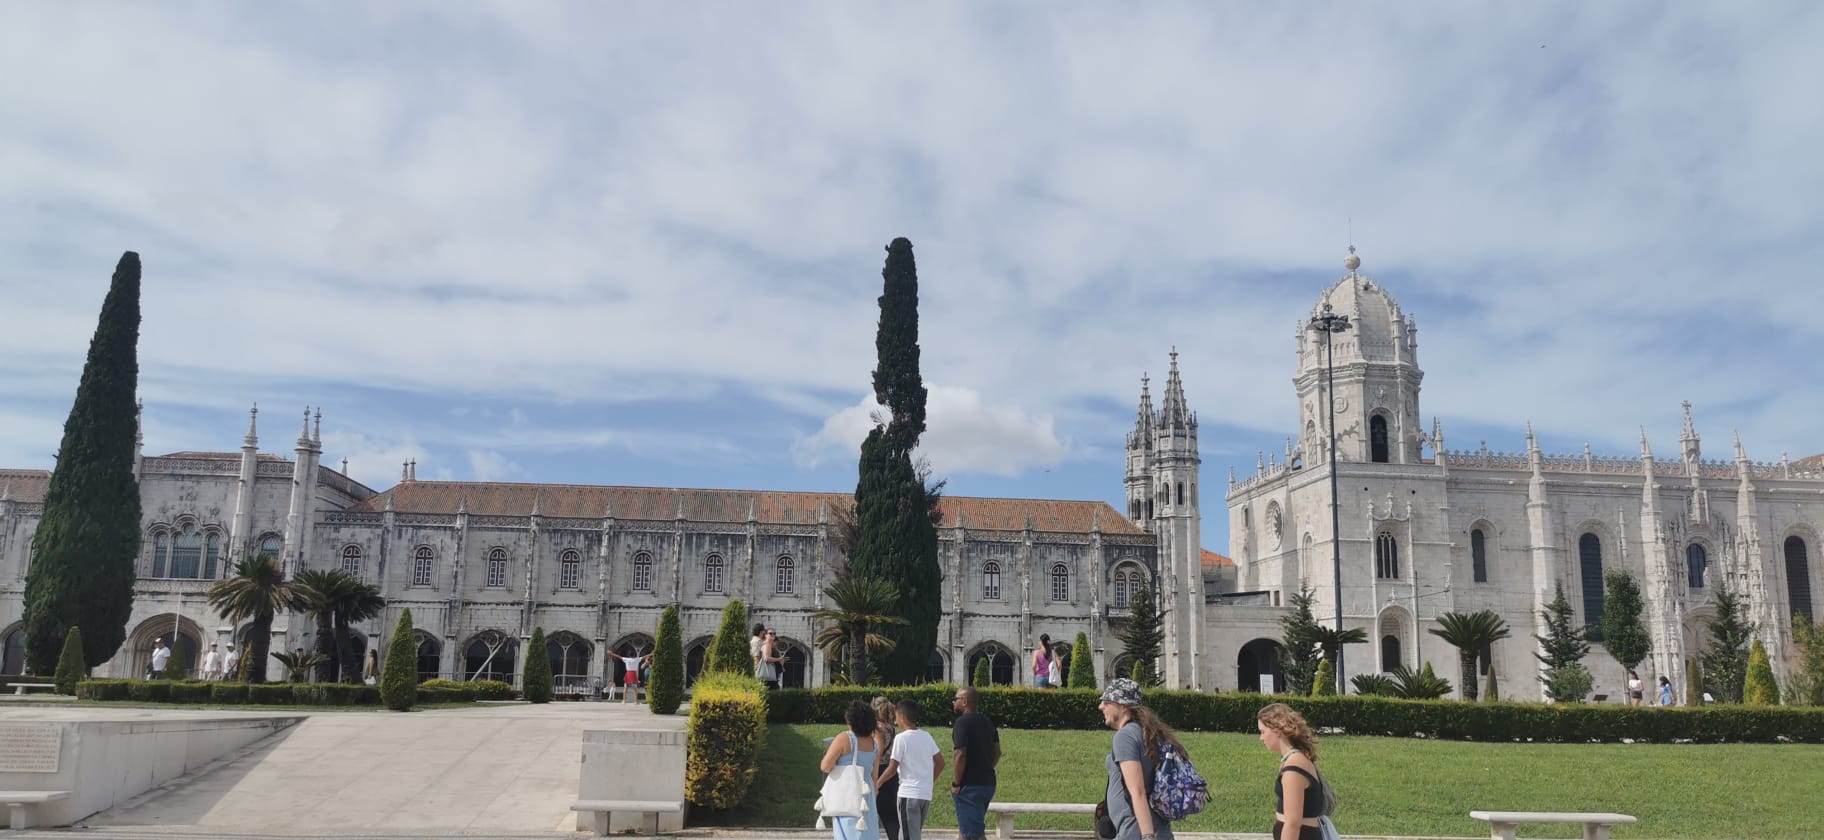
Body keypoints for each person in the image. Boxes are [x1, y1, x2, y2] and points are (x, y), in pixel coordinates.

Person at [1098, 677, 1179, 840]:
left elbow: (1138, 791)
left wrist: (1148, 836)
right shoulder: (1150, 733)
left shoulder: (1125, 736)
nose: (1101, 706)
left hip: (1136, 832)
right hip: (1159, 829)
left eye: (1107, 701)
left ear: (1122, 705)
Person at [1258, 702, 1328, 840]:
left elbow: (1293, 823)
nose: (1261, 738)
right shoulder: (1298, 759)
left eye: (1263, 732)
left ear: (1277, 730)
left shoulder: (1293, 768)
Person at [878, 699, 942, 840]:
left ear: (902, 717)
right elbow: (940, 762)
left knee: (908, 836)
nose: (895, 721)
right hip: (925, 794)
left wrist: (878, 783)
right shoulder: (927, 736)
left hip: (909, 794)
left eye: (896, 717)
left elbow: (892, 768)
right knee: (910, 833)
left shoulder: (901, 738)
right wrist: (929, 780)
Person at [819, 700, 884, 840]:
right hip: (867, 794)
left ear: (851, 720)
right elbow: (874, 777)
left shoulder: (844, 738)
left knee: (847, 832)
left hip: (847, 790)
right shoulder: (874, 744)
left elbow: (825, 766)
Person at [949, 686, 999, 840]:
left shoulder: (962, 723)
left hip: (969, 786)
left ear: (964, 702)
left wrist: (957, 783)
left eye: (956, 699)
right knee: (966, 830)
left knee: (975, 834)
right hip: (988, 782)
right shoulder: (988, 722)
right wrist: (986, 767)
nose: (953, 702)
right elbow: (997, 752)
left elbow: (960, 754)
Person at [870, 696, 901, 840]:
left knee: (879, 810)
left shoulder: (877, 728)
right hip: (891, 771)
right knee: (891, 812)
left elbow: (878, 751)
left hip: (880, 769)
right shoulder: (890, 727)